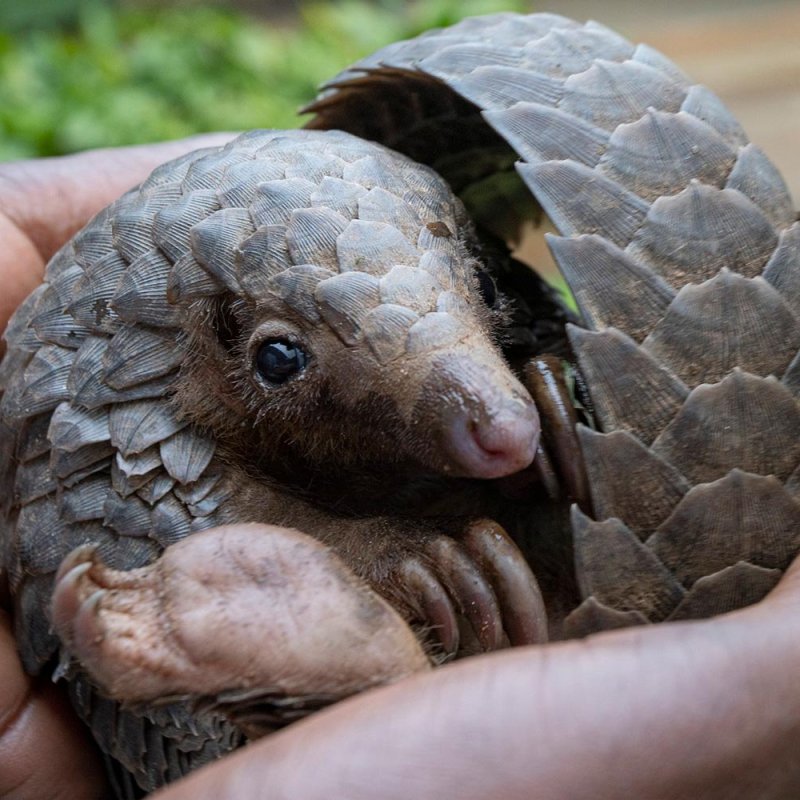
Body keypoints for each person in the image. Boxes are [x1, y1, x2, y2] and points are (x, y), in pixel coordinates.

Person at [1, 138, 799, 800]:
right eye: (280, 356)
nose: (509, 429)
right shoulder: (122, 409)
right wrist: (362, 567)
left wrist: (548, 365)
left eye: (476, 286)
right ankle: (357, 684)